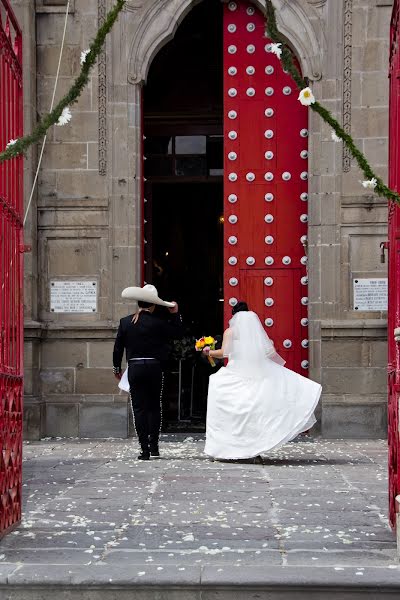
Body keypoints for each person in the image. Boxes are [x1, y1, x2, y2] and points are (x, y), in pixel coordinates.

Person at [203, 301, 321, 461]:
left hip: (235, 372)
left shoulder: (230, 332)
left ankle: (227, 447)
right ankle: (252, 448)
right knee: (253, 413)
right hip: (255, 374)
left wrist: (209, 351)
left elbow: (224, 353)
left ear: (234, 316)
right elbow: (267, 351)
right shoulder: (254, 331)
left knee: (223, 398)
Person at [113, 284, 183, 460]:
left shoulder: (125, 322)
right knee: (153, 407)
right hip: (154, 368)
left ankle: (144, 449)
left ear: (138, 303)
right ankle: (154, 447)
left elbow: (117, 349)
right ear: (153, 305)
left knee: (139, 408)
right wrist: (174, 314)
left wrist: (117, 368)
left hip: (135, 368)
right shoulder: (159, 323)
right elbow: (178, 333)